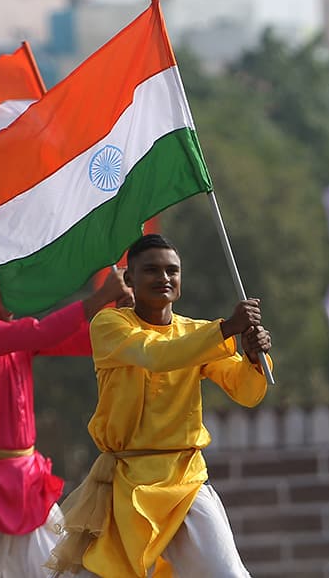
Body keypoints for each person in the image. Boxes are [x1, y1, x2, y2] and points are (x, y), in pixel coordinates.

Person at [46, 234, 272, 578]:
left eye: (172, 270)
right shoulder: (110, 326)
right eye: (151, 270)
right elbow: (156, 355)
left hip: (185, 482)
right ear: (130, 279)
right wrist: (226, 329)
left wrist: (254, 358)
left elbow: (247, 392)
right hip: (126, 487)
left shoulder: (197, 333)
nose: (164, 278)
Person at [0, 252, 130, 577]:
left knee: (54, 572)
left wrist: (125, 317)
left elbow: (83, 341)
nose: (16, 292)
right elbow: (42, 332)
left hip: (27, 482)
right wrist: (99, 298)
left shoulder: (14, 336)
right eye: (4, 283)